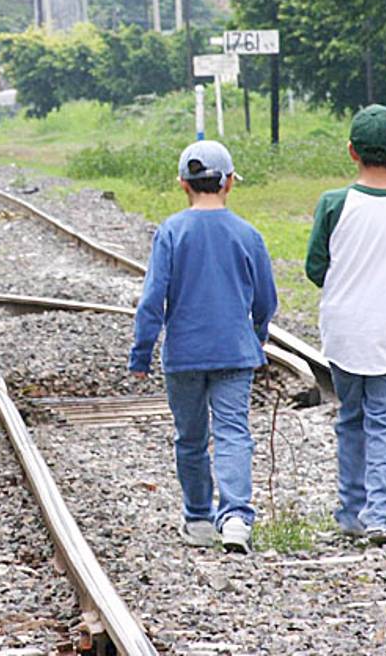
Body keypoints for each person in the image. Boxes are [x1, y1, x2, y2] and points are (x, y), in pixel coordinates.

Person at [129, 140, 278, 553]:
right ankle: (235, 519)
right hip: (234, 352)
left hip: (184, 354)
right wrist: (258, 333)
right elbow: (266, 298)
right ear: (229, 182)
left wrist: (142, 353)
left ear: (183, 184)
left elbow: (152, 299)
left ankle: (197, 518)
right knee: (233, 433)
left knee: (190, 437)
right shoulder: (248, 235)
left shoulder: (171, 232)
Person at [305, 104, 386, 546]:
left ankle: (351, 511)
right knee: (385, 425)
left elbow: (316, 267)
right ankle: (382, 516)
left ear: (351, 151)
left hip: (342, 332)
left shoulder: (334, 204)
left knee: (350, 418)